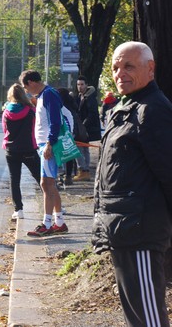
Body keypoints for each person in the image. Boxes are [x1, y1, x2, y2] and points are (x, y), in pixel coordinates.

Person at [92, 41, 172, 327]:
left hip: (140, 230)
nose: (120, 73)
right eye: (115, 67)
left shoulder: (153, 110)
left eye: (129, 66)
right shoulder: (127, 108)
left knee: (148, 318)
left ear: (150, 69)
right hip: (122, 228)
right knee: (137, 317)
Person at [19, 70, 68, 237]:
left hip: (48, 145)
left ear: (32, 82)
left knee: (46, 183)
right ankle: (59, 222)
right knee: (49, 183)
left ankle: (47, 224)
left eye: (26, 86)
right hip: (44, 144)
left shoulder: (48, 95)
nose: (26, 90)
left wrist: (49, 143)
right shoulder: (43, 96)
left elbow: (55, 121)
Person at [2, 84, 41, 220]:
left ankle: (18, 210)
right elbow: (35, 127)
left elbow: (5, 130)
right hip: (28, 148)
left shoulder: (6, 111)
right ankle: (55, 205)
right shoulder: (30, 110)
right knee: (40, 176)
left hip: (11, 149)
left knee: (14, 179)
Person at [57, 88, 87, 187]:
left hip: (65, 133)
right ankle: (68, 176)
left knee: (62, 155)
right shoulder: (72, 104)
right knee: (69, 154)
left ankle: (62, 175)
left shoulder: (62, 107)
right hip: (72, 132)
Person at [74, 75, 101, 181]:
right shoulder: (81, 96)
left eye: (82, 84)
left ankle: (83, 170)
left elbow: (92, 114)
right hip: (83, 127)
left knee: (80, 148)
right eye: (78, 84)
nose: (79, 87)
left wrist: (83, 126)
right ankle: (85, 171)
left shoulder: (90, 98)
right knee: (84, 148)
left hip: (85, 128)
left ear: (86, 85)